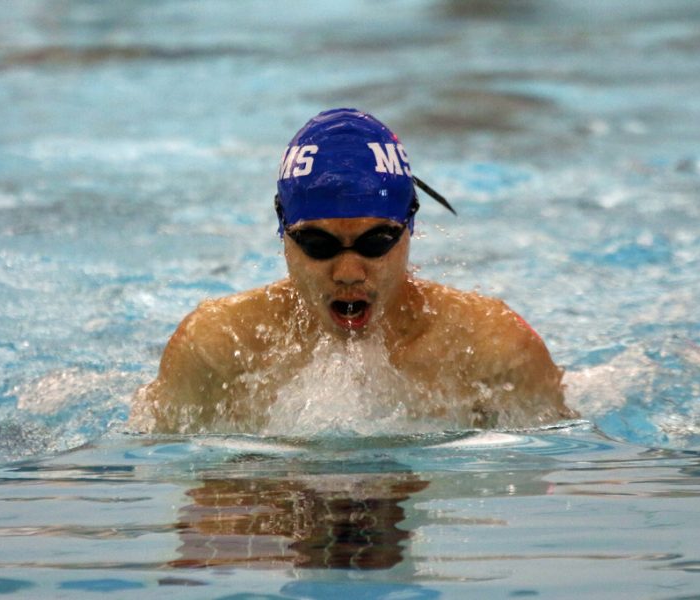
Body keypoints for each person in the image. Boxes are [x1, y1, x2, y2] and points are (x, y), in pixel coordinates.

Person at [133, 108, 575, 433]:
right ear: (282, 230)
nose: (348, 272)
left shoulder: (492, 349)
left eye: (375, 242)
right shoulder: (216, 349)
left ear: (410, 227)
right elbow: (181, 492)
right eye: (318, 244)